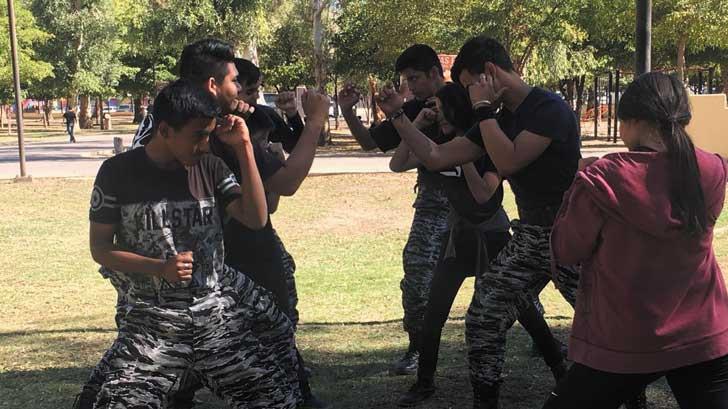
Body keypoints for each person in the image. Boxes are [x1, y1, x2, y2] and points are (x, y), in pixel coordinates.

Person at [75, 39, 310, 409]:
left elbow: (256, 218)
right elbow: (100, 249)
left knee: (275, 399)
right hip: (155, 321)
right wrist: (159, 268)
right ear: (165, 131)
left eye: (208, 135)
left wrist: (244, 147)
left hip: (215, 317)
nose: (204, 145)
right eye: (198, 136)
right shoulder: (118, 173)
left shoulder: (210, 166)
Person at [374, 36, 582, 408]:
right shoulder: (498, 119)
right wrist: (398, 116)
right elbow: (436, 155)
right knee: (484, 316)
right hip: (530, 237)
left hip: (572, 236)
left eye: (468, 85)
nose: (467, 96)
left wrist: (483, 110)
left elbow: (510, 161)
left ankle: (628, 396)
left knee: (605, 323)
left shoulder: (547, 108)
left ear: (488, 74)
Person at [543, 72, 728, 409]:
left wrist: (575, 186)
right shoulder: (713, 170)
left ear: (633, 122)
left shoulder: (601, 180)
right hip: (702, 332)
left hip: (622, 338)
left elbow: (566, 249)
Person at [338, 44, 452, 375]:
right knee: (416, 280)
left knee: (501, 276)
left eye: (415, 78)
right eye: (406, 79)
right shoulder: (413, 109)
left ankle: (540, 335)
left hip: (473, 205)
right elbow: (370, 143)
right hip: (432, 207)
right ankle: (417, 347)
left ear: (434, 73)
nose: (411, 86)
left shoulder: (464, 102)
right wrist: (347, 111)